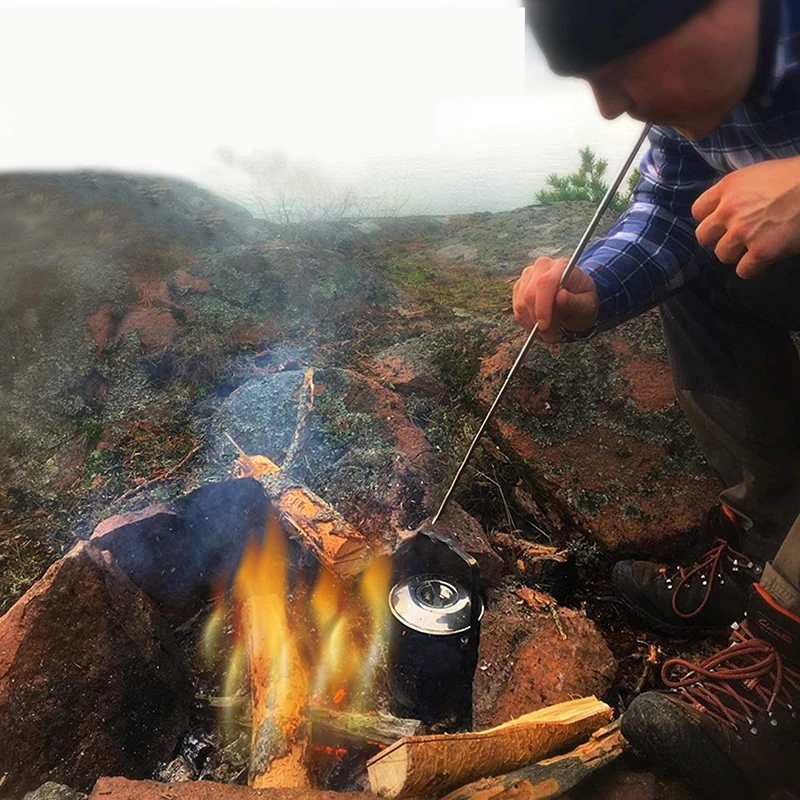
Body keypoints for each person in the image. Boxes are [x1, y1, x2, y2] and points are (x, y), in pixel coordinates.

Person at [518, 0, 800, 795]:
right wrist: (593, 289)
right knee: (711, 250)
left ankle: (792, 661)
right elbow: (673, 208)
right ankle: (766, 549)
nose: (609, 108)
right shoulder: (696, 103)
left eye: (620, 70)